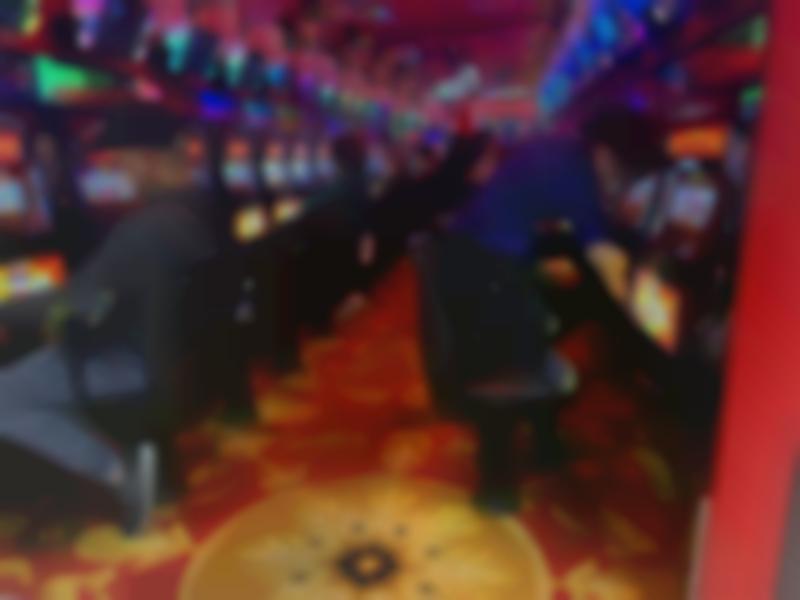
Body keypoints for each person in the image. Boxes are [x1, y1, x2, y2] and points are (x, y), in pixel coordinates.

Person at [0, 113, 228, 533]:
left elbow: (77, 303)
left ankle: (121, 474)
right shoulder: (194, 210)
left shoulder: (146, 229)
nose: (113, 175)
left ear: (149, 161)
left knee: (4, 397)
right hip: (175, 356)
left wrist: (8, 307)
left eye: (120, 163)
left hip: (132, 360)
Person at [437, 106, 667, 503]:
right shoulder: (580, 174)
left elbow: (539, 209)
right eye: (624, 173)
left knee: (533, 343)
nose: (621, 183)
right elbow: (605, 257)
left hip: (476, 259)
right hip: (483, 268)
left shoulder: (564, 152)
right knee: (507, 363)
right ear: (605, 155)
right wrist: (646, 315)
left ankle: (543, 444)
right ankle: (496, 483)